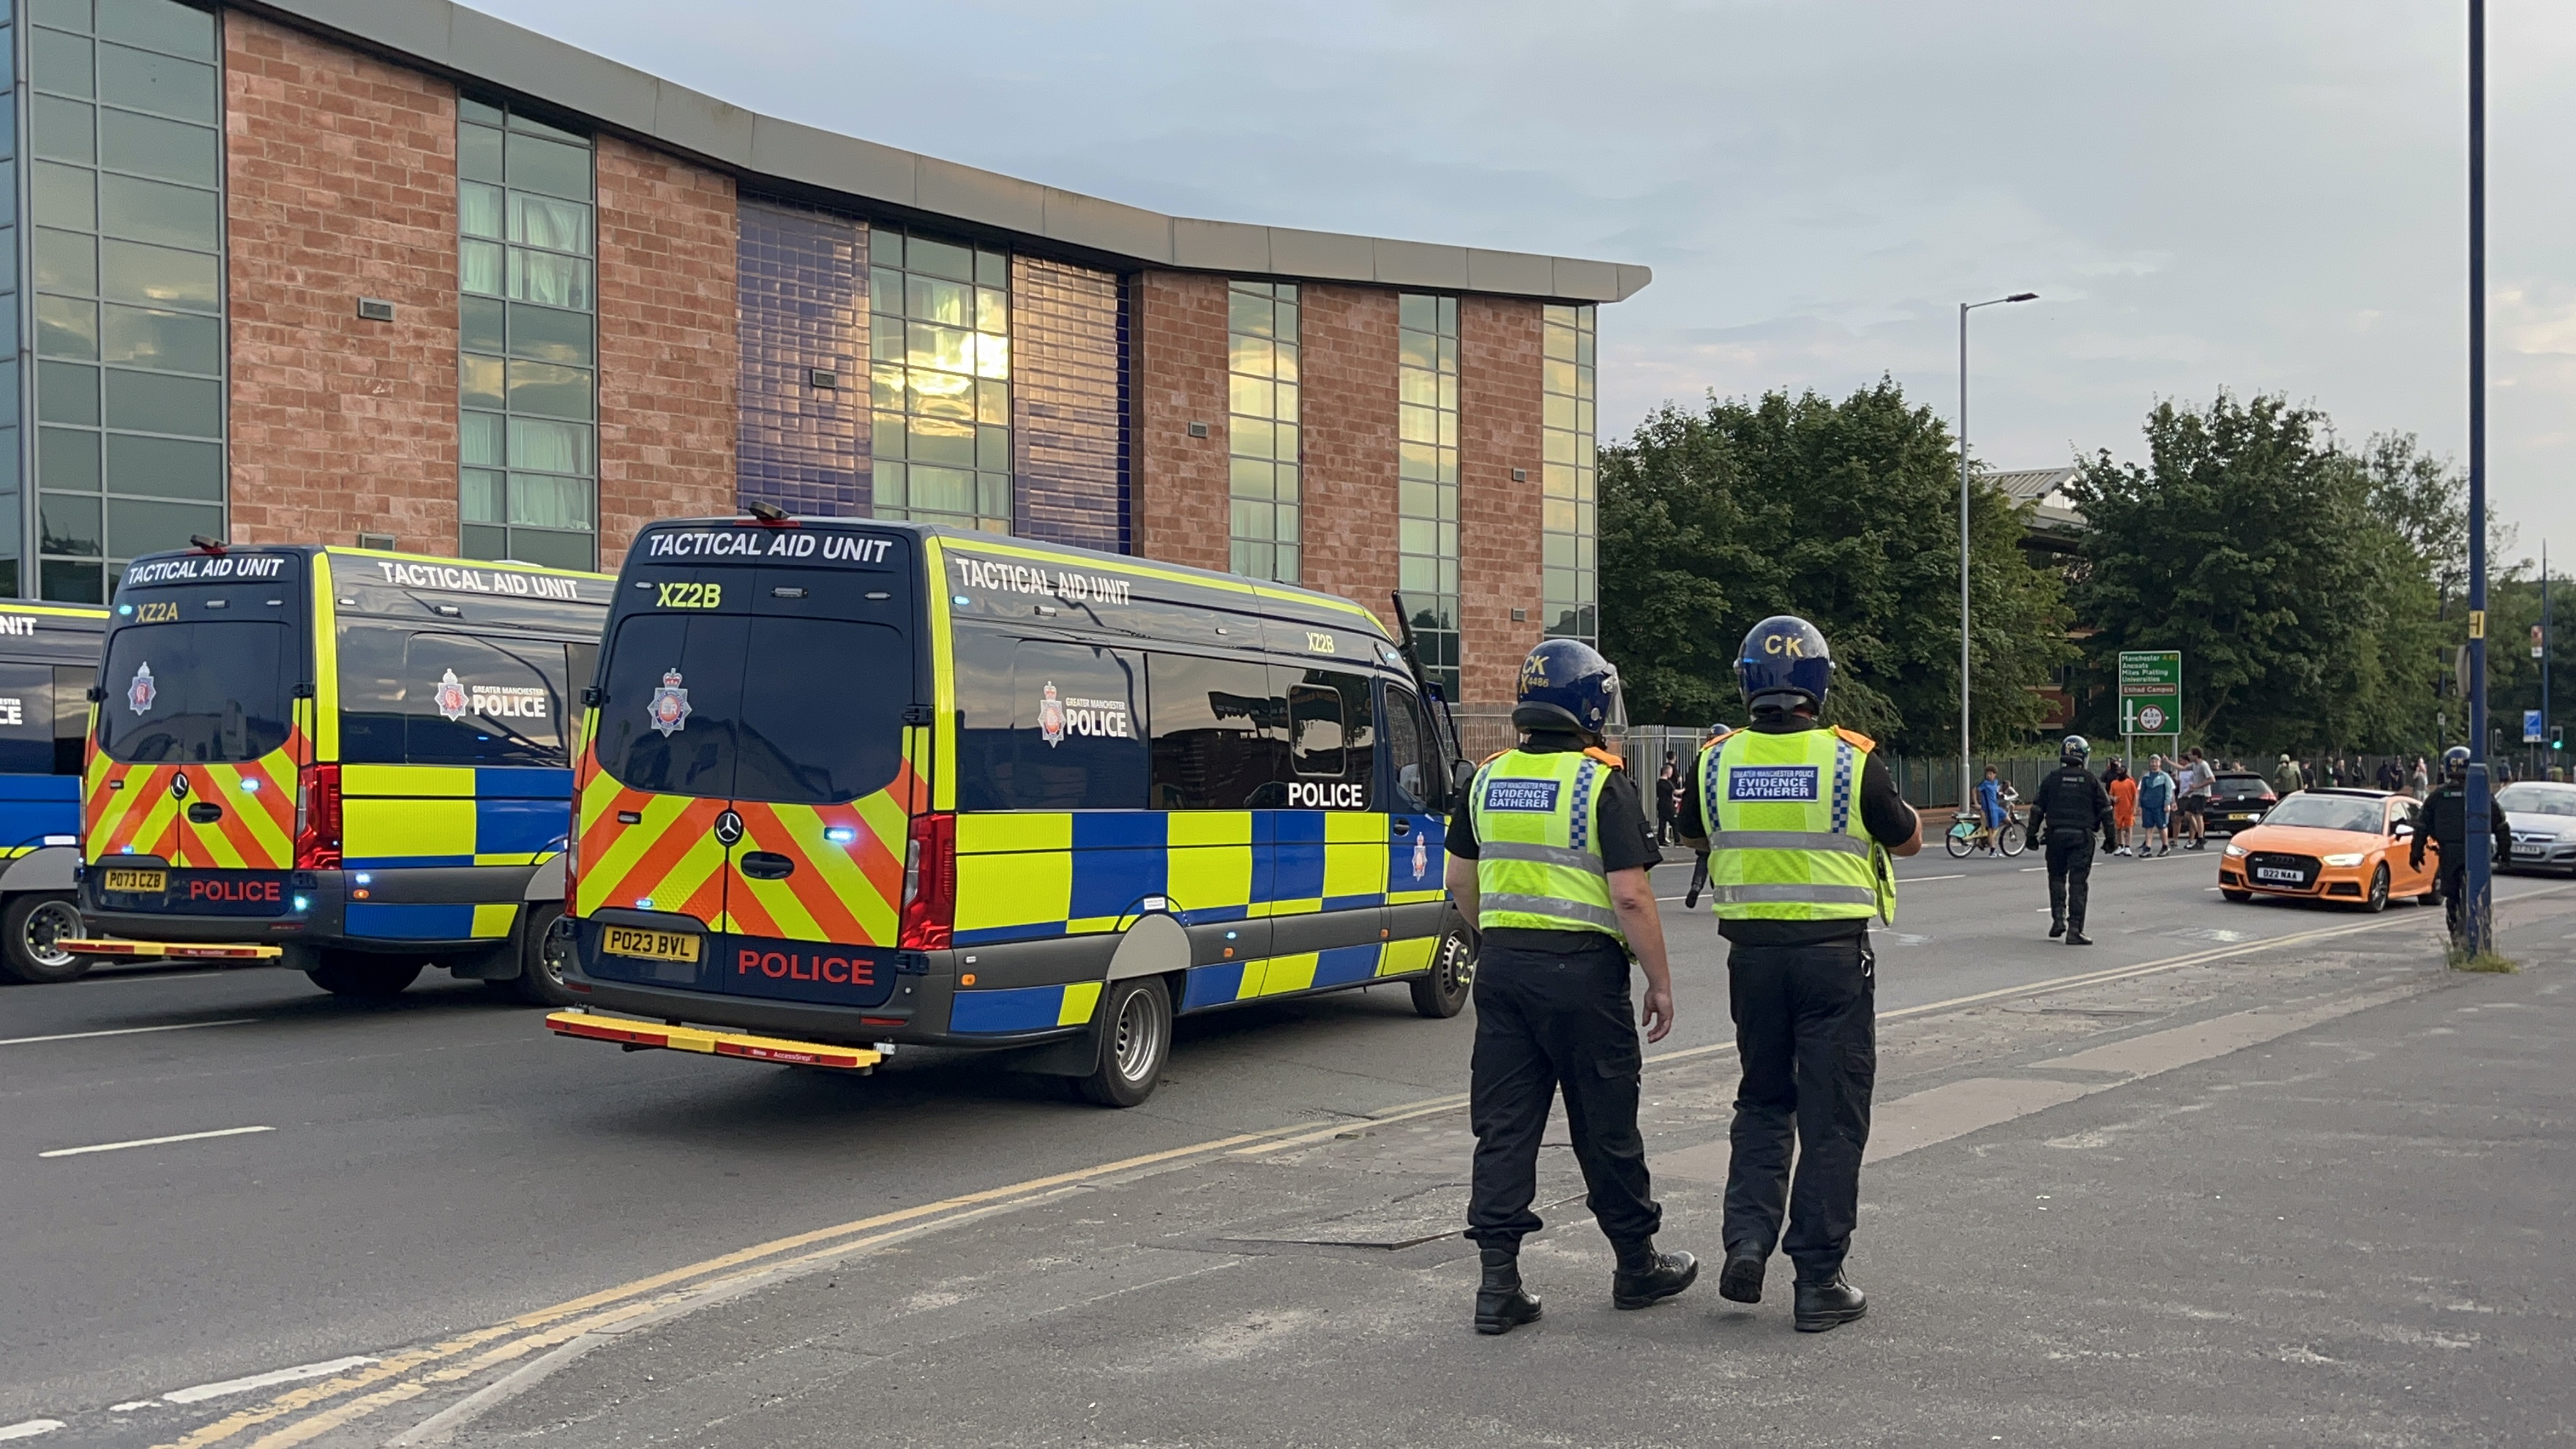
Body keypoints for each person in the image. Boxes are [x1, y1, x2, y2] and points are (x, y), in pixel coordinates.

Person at [1677, 615, 1920, 1333]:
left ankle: (1746, 1240)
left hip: (1751, 963)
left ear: (1746, 682)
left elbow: (1692, 833)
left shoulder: (1714, 761)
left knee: (1761, 1102)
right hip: (1833, 964)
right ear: (1818, 685)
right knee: (1831, 1118)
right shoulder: (1851, 761)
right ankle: (1817, 1281)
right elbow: (1906, 839)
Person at [1445, 639, 1696, 1336]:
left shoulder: (1485, 779)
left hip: (1503, 971)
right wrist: (1661, 982)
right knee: (1605, 1123)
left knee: (1504, 1125)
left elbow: (1459, 881)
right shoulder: (1598, 783)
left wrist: (1497, 938)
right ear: (1590, 705)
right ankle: (1635, 1265)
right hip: (1584, 977)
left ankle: (1499, 1285)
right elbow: (1633, 897)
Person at [2408, 746, 2512, 947]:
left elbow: (2421, 827)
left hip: (2449, 852)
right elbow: (2501, 825)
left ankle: (2457, 936)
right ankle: (2479, 936)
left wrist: (2416, 853)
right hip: (2476, 852)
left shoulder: (2437, 797)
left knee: (2452, 898)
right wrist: (2505, 855)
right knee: (2479, 895)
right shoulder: (2481, 795)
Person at [2029, 735, 2114, 944]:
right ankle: (2075, 929)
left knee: (2056, 878)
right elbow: (2106, 811)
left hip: (2056, 835)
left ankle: (2058, 919)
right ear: (2084, 756)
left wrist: (2031, 835)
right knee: (2078, 883)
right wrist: (2112, 839)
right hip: (2082, 838)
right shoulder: (2091, 780)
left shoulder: (2052, 778)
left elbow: (2037, 808)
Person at [1682, 724, 1723, 907]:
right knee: (1718, 857)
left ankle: (1696, 886)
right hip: (1718, 818)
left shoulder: (1702, 758)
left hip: (1701, 818)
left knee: (1703, 857)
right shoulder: (1724, 759)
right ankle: (1718, 889)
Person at [2137, 752, 2174, 855]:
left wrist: (2167, 804)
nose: (2154, 764)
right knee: (2149, 827)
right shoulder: (2146, 777)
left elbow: (2168, 791)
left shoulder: (2165, 776)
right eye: (2152, 762)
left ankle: (2165, 846)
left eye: (2156, 762)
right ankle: (2147, 848)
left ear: (2160, 763)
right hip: (2148, 806)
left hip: (2160, 806)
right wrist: (2140, 805)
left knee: (2162, 826)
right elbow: (2142, 792)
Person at [2177, 748, 2214, 850]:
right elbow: (2182, 768)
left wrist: (2198, 786)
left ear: (2196, 755)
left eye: (2191, 754)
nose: (2189, 756)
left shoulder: (2204, 765)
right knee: (2188, 814)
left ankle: (2200, 839)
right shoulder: (2194, 765)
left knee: (2199, 816)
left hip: (2201, 794)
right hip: (2195, 794)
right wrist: (2167, 761)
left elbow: (2212, 779)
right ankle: (2200, 836)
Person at [2108, 762, 2138, 856]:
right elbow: (2110, 794)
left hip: (2128, 809)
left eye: (2122, 770)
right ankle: (2120, 846)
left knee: (2128, 828)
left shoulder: (2130, 783)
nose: (2120, 772)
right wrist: (2113, 798)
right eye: (2118, 770)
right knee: (2118, 828)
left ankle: (2127, 847)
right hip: (2118, 809)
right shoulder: (2114, 783)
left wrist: (2135, 807)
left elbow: (2135, 795)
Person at [1976, 765, 2007, 855]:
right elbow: (1975, 790)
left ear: (1995, 774)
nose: (1988, 775)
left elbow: (1997, 792)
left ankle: (1989, 835)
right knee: (1991, 829)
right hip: (1990, 808)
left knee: (2007, 819)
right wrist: (1977, 803)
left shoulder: (1996, 782)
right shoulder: (1985, 783)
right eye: (1987, 774)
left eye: (1990, 773)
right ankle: (1992, 850)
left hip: (1996, 807)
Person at [1655, 754, 1682, 847]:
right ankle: (1677, 840)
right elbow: (1675, 791)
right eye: (1671, 772)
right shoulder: (1667, 783)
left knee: (1662, 824)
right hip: (1668, 806)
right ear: (1667, 772)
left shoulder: (1659, 783)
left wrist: (1676, 799)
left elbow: (1666, 795)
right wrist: (1685, 790)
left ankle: (1661, 840)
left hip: (1661, 805)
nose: (1671, 774)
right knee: (1675, 822)